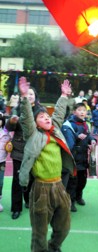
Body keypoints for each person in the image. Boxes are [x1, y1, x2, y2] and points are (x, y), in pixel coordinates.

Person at [18, 76, 76, 252]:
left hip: (59, 186)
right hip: (41, 189)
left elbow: (58, 112)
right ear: (35, 124)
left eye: (46, 115)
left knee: (64, 227)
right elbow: (27, 117)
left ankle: (54, 247)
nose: (46, 118)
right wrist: (24, 98)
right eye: (41, 117)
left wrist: (64, 96)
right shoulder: (33, 134)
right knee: (39, 233)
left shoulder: (56, 129)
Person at [6, 85, 41, 220]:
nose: (29, 95)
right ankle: (16, 208)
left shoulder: (40, 110)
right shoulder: (17, 108)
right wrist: (12, 121)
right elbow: (9, 126)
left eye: (32, 94)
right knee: (17, 180)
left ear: (35, 97)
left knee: (32, 178)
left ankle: (28, 199)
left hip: (34, 149)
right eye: (27, 94)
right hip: (19, 149)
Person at [62, 102, 97, 212]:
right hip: (74, 160)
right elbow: (69, 143)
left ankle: (78, 196)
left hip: (83, 158)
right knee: (72, 182)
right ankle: (71, 201)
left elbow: (88, 136)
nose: (82, 112)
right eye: (80, 110)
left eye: (84, 110)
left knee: (82, 181)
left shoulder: (85, 124)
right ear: (74, 112)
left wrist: (92, 140)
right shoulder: (69, 125)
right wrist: (77, 138)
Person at [0, 114, 12, 212]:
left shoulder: (6, 134)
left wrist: (10, 147)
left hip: (2, 162)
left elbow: (10, 146)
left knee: (0, 182)